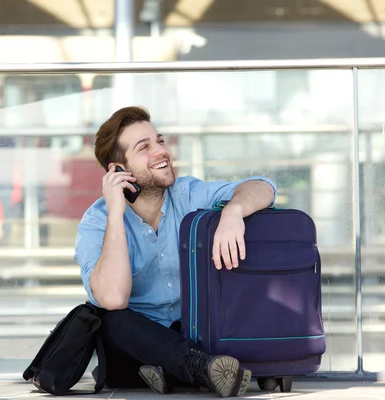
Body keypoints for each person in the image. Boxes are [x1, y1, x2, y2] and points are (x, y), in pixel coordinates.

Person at [74, 106, 277, 397]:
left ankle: (171, 371)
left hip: (194, 331)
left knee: (201, 324)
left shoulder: (187, 194)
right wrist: (116, 214)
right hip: (135, 342)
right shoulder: (96, 222)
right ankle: (197, 368)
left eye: (159, 141)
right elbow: (113, 297)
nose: (161, 151)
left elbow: (263, 186)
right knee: (111, 319)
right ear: (118, 170)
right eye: (144, 147)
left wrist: (233, 211)